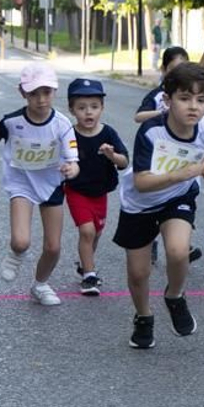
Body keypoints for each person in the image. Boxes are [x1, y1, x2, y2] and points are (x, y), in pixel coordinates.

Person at [115, 61, 204, 349]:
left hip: (177, 197)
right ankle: (144, 317)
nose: (194, 106)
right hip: (139, 203)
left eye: (201, 100)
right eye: (184, 98)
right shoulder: (152, 132)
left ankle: (175, 296)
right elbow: (142, 182)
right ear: (167, 101)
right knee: (139, 273)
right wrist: (182, 173)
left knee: (178, 250)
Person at [0, 64, 80, 306]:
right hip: (21, 183)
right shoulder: (12, 122)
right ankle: (16, 253)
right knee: (21, 241)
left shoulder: (62, 125)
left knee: (53, 247)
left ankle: (40, 284)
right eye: (34, 93)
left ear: (54, 91)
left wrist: (71, 169)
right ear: (23, 93)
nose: (41, 99)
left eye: (47, 92)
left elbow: (74, 161)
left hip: (51, 184)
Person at [63, 78, 130, 296]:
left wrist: (112, 155)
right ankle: (89, 276)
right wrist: (65, 167)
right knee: (87, 231)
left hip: (100, 192)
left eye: (94, 107)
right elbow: (58, 158)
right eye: (81, 108)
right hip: (76, 190)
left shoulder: (108, 133)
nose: (88, 113)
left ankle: (85, 263)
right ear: (71, 109)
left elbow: (124, 162)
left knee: (97, 232)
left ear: (102, 108)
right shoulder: (68, 134)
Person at [136, 46, 192, 123]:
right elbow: (139, 116)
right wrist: (165, 112)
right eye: (174, 69)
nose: (178, 74)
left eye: (182, 69)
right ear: (163, 69)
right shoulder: (158, 95)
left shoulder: (193, 92)